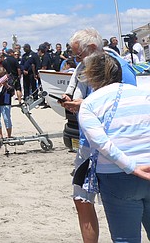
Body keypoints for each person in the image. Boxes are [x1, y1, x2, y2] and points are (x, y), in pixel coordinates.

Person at [61, 28, 138, 243]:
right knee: (82, 201)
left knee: (126, 214)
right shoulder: (86, 67)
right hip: (90, 145)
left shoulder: (120, 68)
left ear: (93, 48)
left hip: (110, 148)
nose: (76, 60)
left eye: (78, 55)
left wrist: (83, 105)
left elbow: (123, 103)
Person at [77, 52, 150, 243]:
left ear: (92, 76)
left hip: (117, 175)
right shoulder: (144, 94)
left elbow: (101, 143)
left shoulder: (89, 104)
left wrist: (131, 167)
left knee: (126, 239)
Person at [0, 67, 15, 140]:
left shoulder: (9, 79)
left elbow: (12, 91)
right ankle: (0, 135)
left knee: (7, 119)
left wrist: (6, 85)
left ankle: (9, 135)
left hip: (6, 100)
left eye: (2, 75)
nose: (1, 77)